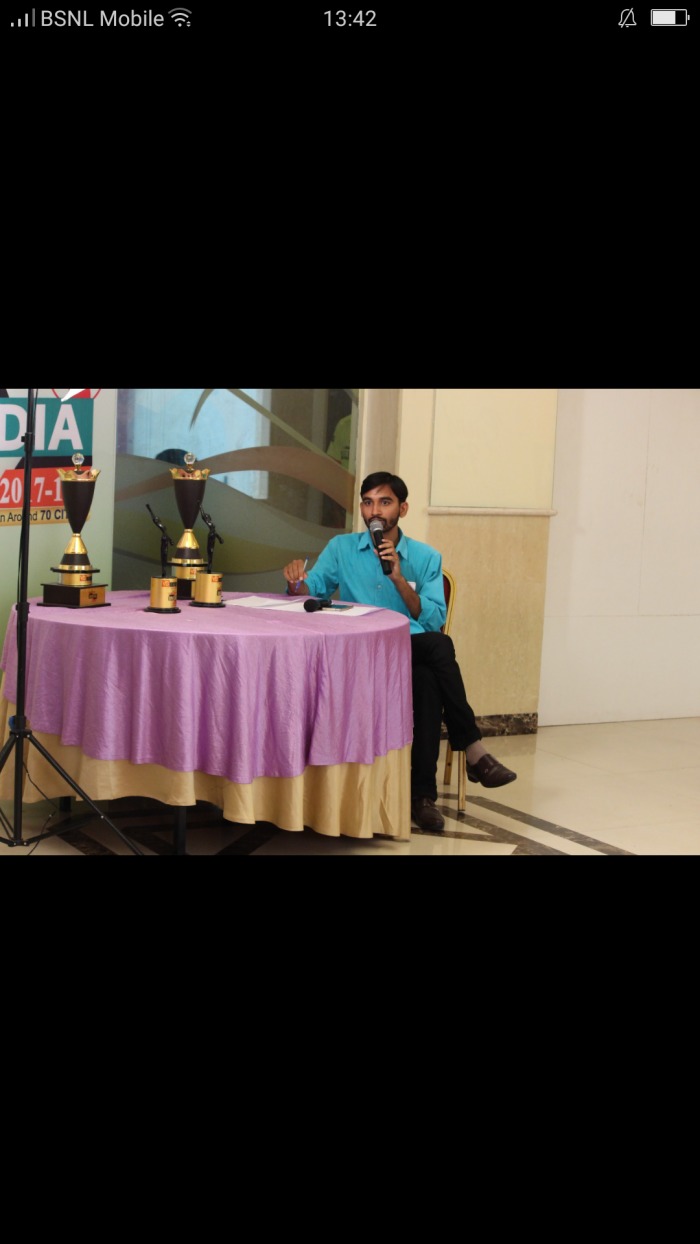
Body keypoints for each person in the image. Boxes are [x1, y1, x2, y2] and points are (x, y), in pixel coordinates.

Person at [282, 471, 517, 832]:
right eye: (368, 502)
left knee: (428, 678)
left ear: (402, 509)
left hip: (408, 651)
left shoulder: (425, 557)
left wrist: (397, 577)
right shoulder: (342, 548)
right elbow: (310, 593)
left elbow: (433, 618)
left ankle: (421, 797)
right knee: (440, 647)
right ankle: (471, 747)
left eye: (385, 502)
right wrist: (296, 582)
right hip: (359, 652)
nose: (374, 511)